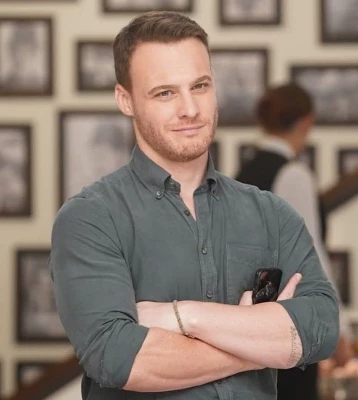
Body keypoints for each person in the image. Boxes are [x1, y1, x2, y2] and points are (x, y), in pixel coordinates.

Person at [50, 12, 340, 400]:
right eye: (165, 93)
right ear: (125, 100)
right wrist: (257, 341)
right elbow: (119, 358)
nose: (189, 109)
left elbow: (321, 328)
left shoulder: (273, 215)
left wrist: (184, 317)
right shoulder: (90, 219)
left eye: (199, 86)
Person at [235, 83, 354, 400]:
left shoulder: (241, 174)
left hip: (245, 326)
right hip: (287, 325)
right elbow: (310, 256)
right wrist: (338, 328)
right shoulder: (292, 175)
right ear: (307, 121)